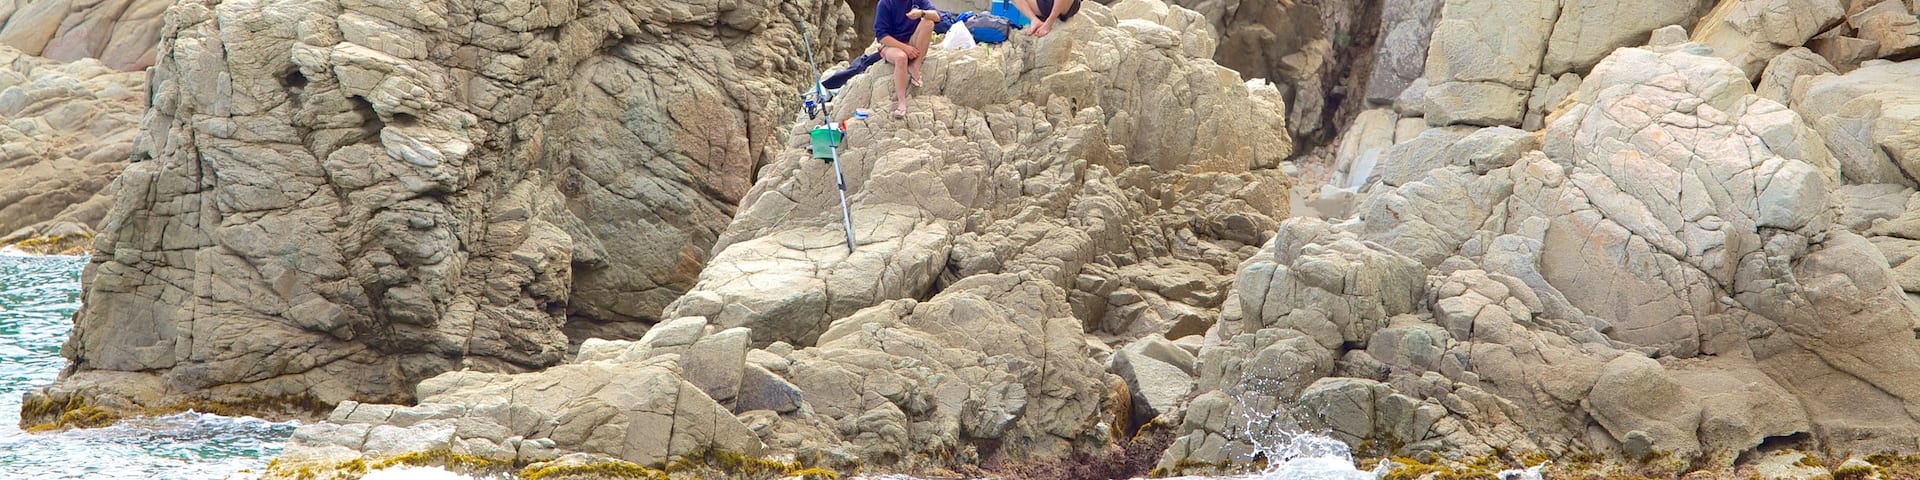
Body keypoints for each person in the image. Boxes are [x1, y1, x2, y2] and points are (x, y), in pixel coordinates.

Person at [874, 0, 938, 117]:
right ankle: (901, 102)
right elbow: (882, 36)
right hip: (891, 44)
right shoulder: (885, 3)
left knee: (928, 23)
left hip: (911, 40)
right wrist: (905, 48)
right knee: (901, 57)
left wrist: (921, 13)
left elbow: (936, 17)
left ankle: (915, 66)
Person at [1012, 0, 1080, 37]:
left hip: (1066, 5)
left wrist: (1049, 23)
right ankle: (1034, 20)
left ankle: (1049, 21)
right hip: (1045, 6)